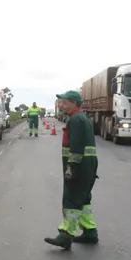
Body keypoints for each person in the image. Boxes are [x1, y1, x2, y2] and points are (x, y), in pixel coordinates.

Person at [44, 91, 99, 249]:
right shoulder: (81, 117)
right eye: (60, 102)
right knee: (84, 199)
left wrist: (71, 167)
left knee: (71, 199)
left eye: (64, 102)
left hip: (79, 166)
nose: (61, 105)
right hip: (88, 165)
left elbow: (76, 146)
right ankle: (90, 232)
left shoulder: (75, 119)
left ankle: (66, 235)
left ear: (74, 103)